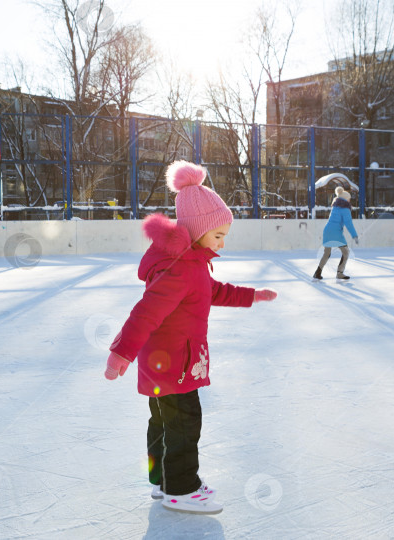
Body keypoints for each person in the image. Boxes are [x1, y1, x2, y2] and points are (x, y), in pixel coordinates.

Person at [104, 161, 277, 515]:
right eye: (218, 235)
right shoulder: (180, 269)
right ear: (197, 230)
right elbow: (146, 312)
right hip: (176, 364)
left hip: (165, 363)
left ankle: (161, 481)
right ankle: (181, 489)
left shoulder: (190, 262)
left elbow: (211, 291)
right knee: (184, 423)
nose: (223, 242)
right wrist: (121, 352)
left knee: (163, 421)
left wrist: (249, 295)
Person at [314, 186, 359, 280]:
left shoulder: (335, 207)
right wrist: (354, 235)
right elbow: (349, 224)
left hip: (327, 231)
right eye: (349, 199)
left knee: (327, 253)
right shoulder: (345, 209)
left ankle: (317, 273)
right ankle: (340, 273)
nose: (350, 201)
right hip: (336, 233)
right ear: (346, 199)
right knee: (346, 252)